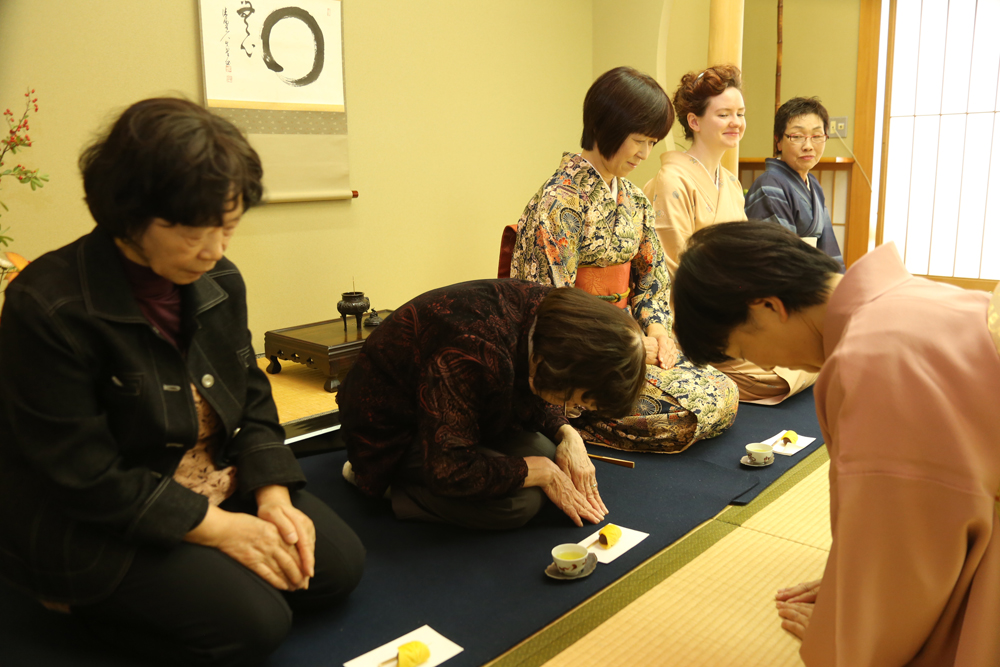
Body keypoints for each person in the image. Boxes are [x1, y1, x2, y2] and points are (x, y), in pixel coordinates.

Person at [0, 98, 365, 667]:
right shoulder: (47, 305)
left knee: (336, 569)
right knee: (256, 626)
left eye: (228, 227)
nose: (215, 251)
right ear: (130, 215)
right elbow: (83, 475)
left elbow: (250, 394)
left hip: (209, 474)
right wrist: (220, 531)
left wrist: (271, 493)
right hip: (104, 514)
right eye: (195, 232)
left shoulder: (219, 279)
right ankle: (76, 604)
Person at [672, 221, 1000, 667]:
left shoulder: (873, 361)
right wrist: (852, 575)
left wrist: (851, 623)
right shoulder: (908, 297)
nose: (762, 364)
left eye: (745, 350)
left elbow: (910, 546)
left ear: (767, 307)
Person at [509, 66, 737, 454]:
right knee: (688, 411)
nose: (645, 154)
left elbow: (651, 279)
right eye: (639, 141)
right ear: (605, 127)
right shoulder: (558, 203)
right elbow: (549, 310)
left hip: (627, 344)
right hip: (581, 360)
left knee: (724, 390)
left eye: (652, 142)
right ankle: (573, 421)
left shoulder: (634, 200)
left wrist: (658, 332)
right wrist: (629, 343)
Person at [338, 281, 646, 530]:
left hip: (459, 408)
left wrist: (569, 435)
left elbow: (537, 382)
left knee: (550, 454)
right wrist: (543, 473)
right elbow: (451, 469)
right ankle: (386, 484)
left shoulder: (557, 321)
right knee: (518, 504)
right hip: (392, 432)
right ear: (565, 371)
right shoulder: (474, 351)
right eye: (577, 400)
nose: (573, 407)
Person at [644, 65, 815, 404]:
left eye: (740, 113)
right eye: (723, 114)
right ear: (694, 121)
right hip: (697, 319)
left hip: (734, 309)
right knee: (776, 377)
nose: (736, 122)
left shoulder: (732, 183)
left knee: (811, 348)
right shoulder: (672, 181)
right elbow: (672, 274)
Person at [744, 96, 844, 270]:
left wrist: (837, 279)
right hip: (784, 279)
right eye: (797, 136)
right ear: (778, 141)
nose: (808, 146)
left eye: (817, 136)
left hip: (809, 277)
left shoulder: (814, 185)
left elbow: (829, 251)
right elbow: (780, 258)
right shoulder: (769, 186)